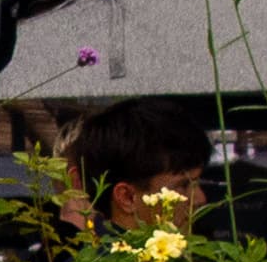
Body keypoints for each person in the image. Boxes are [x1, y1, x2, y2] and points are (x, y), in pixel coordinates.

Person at [66, 96, 211, 230]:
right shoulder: (99, 258)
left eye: (197, 183)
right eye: (183, 186)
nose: (200, 199)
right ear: (127, 197)